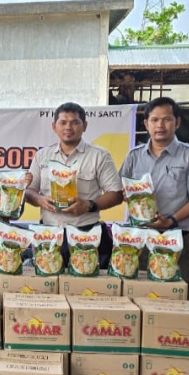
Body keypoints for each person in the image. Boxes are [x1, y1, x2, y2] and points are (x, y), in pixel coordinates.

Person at [120, 96, 189, 287]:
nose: (160, 125)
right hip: (139, 239)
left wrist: (171, 220)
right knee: (138, 294)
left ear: (177, 122)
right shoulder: (134, 156)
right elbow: (122, 191)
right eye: (154, 120)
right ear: (146, 124)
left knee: (175, 297)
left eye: (167, 119)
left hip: (174, 239)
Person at [26, 102, 123, 269]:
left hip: (86, 234)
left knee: (85, 287)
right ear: (54, 126)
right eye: (63, 122)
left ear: (84, 126)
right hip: (49, 234)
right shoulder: (42, 156)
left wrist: (89, 205)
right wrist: (39, 199)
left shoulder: (99, 156)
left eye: (75, 122)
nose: (68, 127)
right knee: (49, 283)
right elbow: (29, 191)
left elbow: (116, 194)